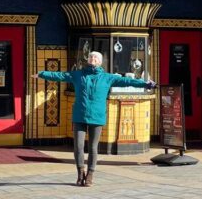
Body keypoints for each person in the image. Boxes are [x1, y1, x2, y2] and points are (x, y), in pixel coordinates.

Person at [33, 51, 155, 187]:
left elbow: (127, 81)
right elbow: (60, 75)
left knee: (93, 147)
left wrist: (146, 84)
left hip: (97, 116)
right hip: (80, 115)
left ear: (100, 61)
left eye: (95, 57)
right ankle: (80, 173)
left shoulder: (107, 77)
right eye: (91, 56)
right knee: (78, 146)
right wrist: (42, 74)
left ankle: (90, 174)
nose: (92, 58)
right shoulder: (78, 74)